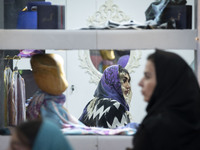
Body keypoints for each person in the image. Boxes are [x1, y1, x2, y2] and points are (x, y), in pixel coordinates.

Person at [132, 49, 200, 150]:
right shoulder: (194, 123)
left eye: (147, 76)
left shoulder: (156, 128)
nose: (140, 83)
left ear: (165, 82)